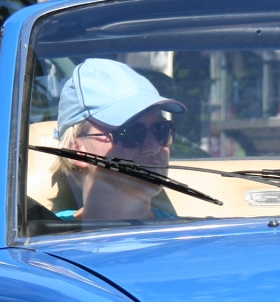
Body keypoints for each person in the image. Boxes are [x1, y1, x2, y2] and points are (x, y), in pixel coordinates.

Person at [52, 58, 186, 221]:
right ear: (77, 151)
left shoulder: (195, 237)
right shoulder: (39, 238)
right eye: (129, 133)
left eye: (162, 130)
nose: (153, 147)